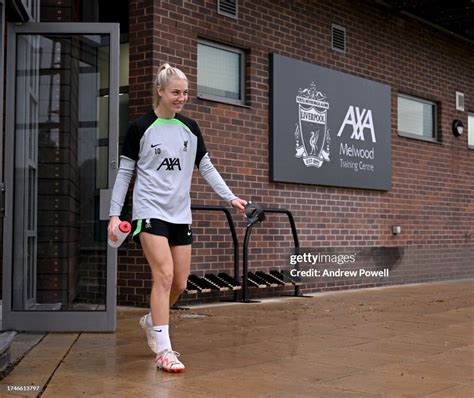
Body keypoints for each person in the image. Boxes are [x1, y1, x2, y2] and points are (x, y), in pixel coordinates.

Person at [108, 63, 246, 373]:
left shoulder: (191, 128)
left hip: (179, 214)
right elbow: (125, 173)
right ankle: (164, 350)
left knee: (181, 283)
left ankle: (151, 321)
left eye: (185, 92)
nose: (182, 97)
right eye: (175, 92)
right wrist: (114, 214)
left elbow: (206, 167)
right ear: (159, 91)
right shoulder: (140, 128)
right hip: (148, 211)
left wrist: (230, 197)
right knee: (164, 275)